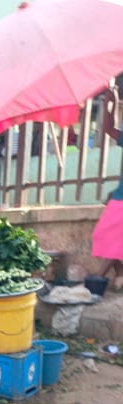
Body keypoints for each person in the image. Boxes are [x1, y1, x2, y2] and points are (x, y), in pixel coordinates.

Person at [92, 87, 123, 280]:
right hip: (120, 195)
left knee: (116, 240)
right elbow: (109, 130)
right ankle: (117, 273)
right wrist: (109, 105)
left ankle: (98, 279)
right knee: (103, 235)